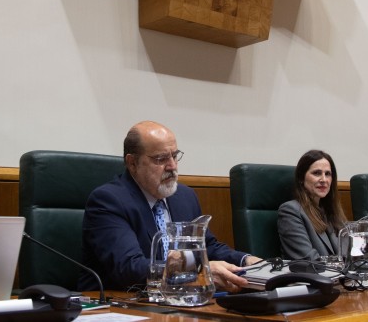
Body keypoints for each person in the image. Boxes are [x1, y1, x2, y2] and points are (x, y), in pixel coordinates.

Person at [80, 121, 261, 293]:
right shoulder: (109, 200)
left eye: (174, 156)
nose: (172, 166)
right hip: (122, 303)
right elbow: (130, 269)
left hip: (179, 299)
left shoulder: (184, 196)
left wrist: (248, 262)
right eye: (160, 159)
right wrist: (197, 269)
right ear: (132, 163)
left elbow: (208, 246)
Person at [277, 150, 347, 260]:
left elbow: (350, 254)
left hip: (338, 276)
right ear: (301, 178)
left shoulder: (330, 212)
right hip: (311, 276)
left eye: (327, 174)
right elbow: (308, 259)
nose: (324, 180)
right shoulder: (291, 211)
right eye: (317, 173)